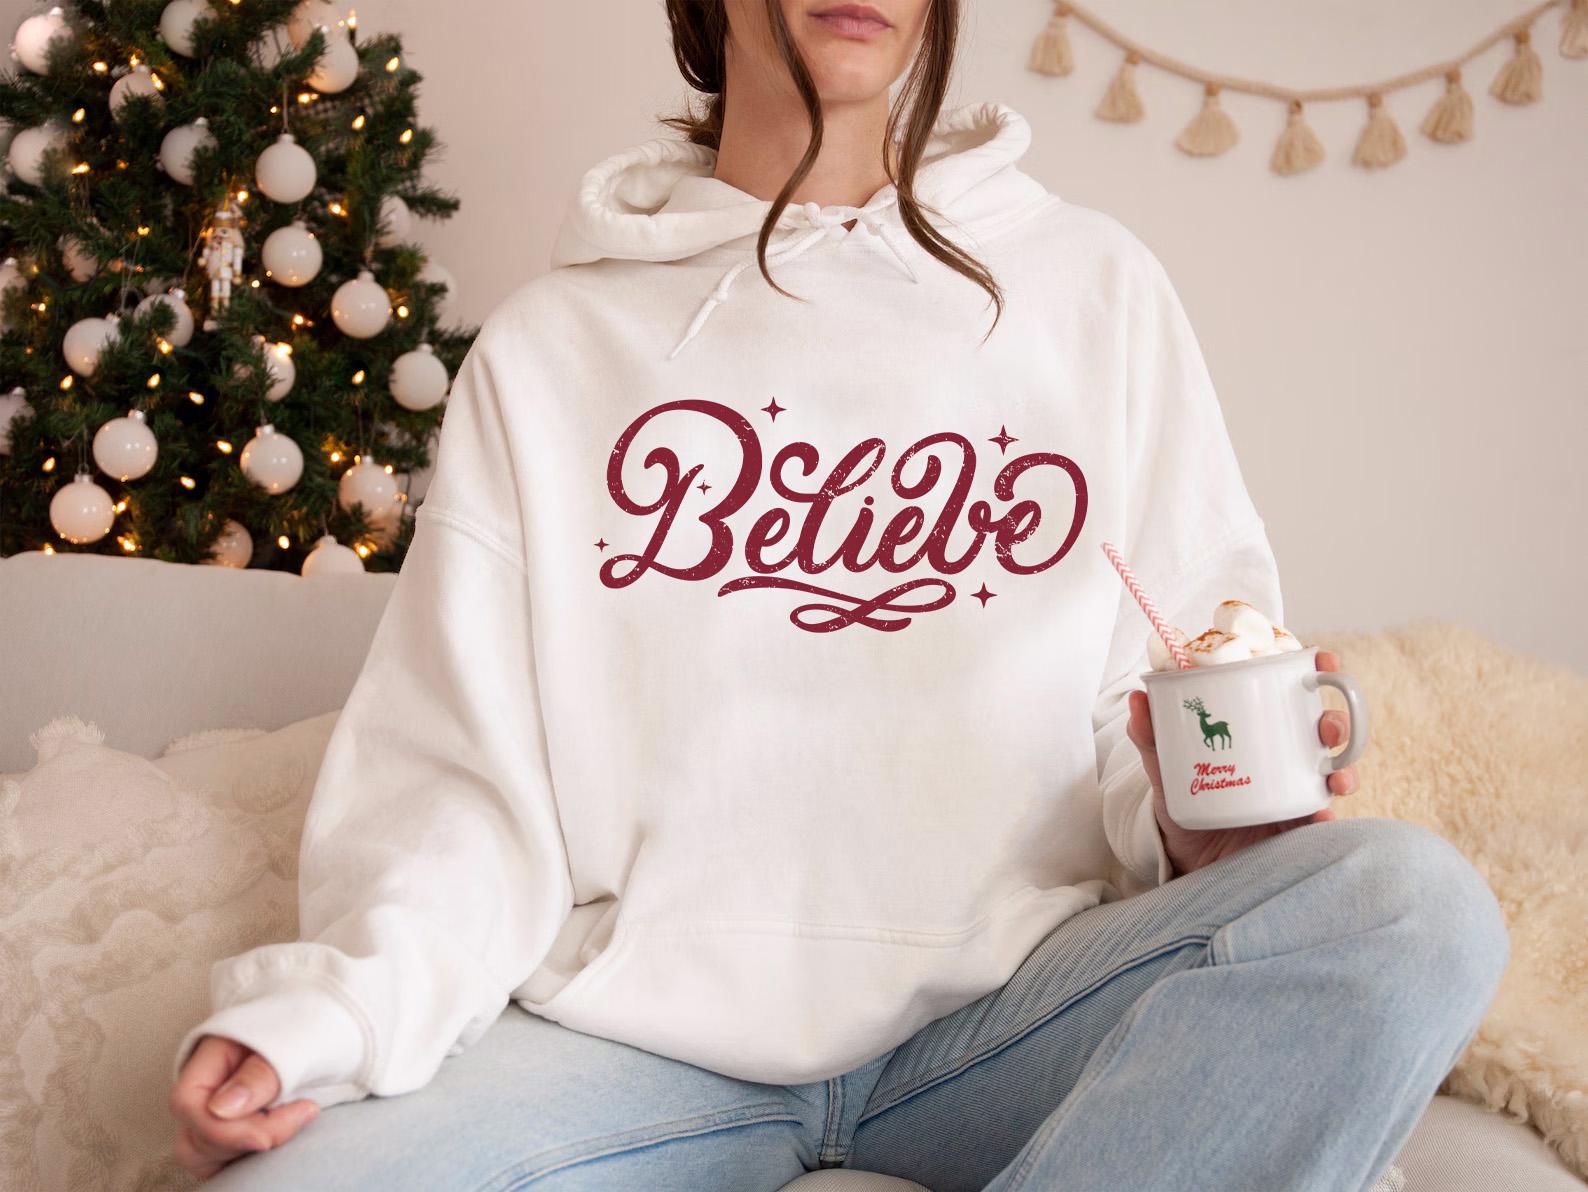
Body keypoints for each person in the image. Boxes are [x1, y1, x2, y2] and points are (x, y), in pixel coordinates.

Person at [168, 1, 1509, 1188]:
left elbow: (1159, 679)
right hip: (642, 1044)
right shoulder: (552, 352)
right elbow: (464, 785)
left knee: (1411, 907)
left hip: (1013, 1015)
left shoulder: (1093, 293)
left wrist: (1186, 826)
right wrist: (332, 1014)